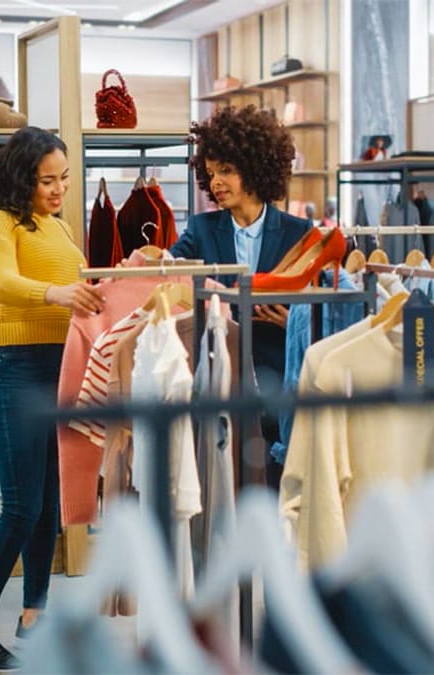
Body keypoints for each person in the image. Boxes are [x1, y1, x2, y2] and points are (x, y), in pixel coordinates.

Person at [0, 127, 104, 674]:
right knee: (19, 507)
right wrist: (57, 293)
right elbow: (4, 280)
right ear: (22, 177)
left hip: (58, 367)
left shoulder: (58, 228)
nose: (59, 189)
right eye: (47, 180)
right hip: (16, 370)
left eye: (63, 178)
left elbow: (80, 284)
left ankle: (34, 618)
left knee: (49, 507)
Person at [168, 104, 310, 489]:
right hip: (219, 378)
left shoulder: (300, 233)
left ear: (257, 167)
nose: (216, 182)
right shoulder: (201, 229)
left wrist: (293, 320)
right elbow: (171, 275)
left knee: (279, 485)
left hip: (278, 377)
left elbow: (321, 311)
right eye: (211, 173)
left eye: (226, 171)